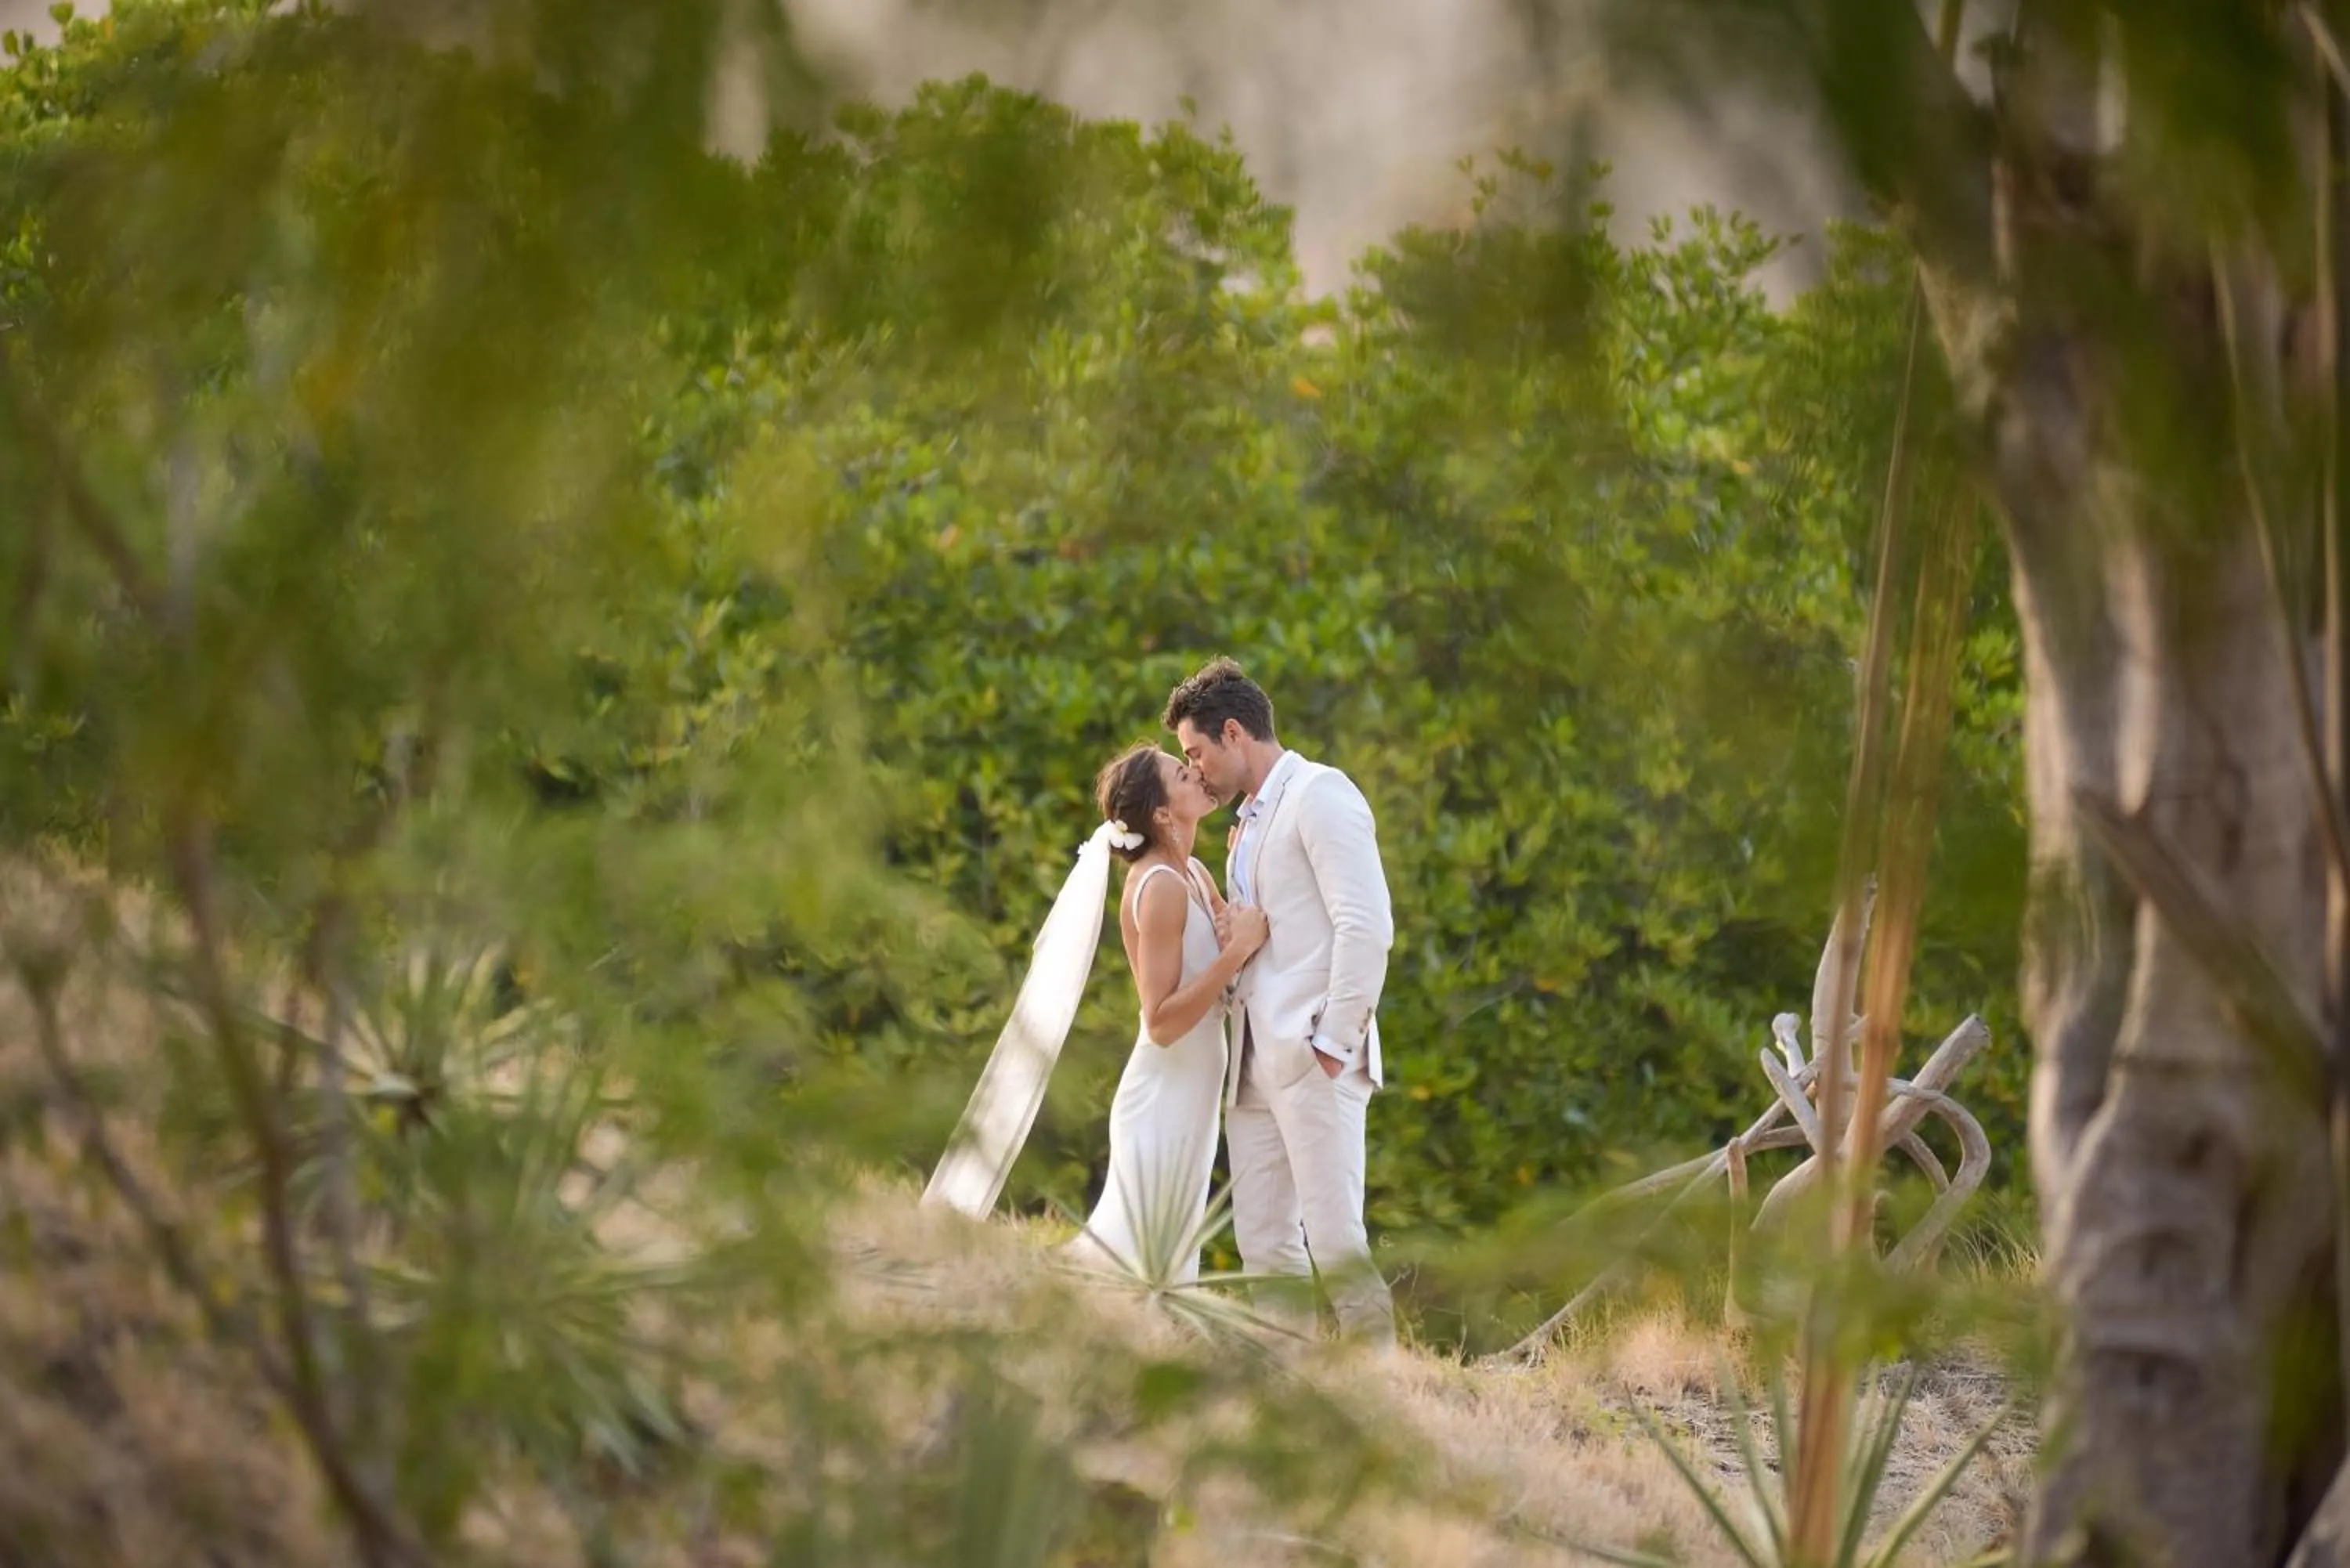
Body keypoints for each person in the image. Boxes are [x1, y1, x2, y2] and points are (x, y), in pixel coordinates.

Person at [1166, 657, 1397, 1345]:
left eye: (1196, 752)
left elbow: (1367, 925)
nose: (1195, 768)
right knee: (1264, 1247)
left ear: (1233, 733)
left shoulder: (1321, 794)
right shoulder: (1248, 821)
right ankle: (1291, 1397)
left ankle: (1384, 1393)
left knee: (1335, 1243)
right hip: (1251, 1066)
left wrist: (1333, 1043)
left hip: (1313, 1055)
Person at [1064, 742, 1267, 1284]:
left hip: (1195, 1090)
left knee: (1169, 1251)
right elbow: (1160, 1022)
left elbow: (1236, 946)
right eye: (1183, 773)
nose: (1198, 772)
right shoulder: (1158, 886)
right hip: (1162, 1095)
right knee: (1137, 1257)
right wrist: (1235, 952)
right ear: (1160, 813)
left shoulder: (1195, 874)